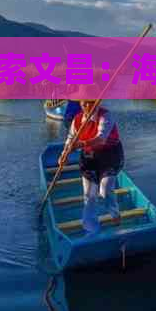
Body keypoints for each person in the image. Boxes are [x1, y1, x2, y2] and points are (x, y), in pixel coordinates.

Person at [58, 94, 124, 234]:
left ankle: (114, 213)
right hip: (89, 159)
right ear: (80, 103)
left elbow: (100, 138)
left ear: (96, 102)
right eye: (84, 103)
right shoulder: (76, 120)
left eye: (90, 102)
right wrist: (64, 154)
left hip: (110, 157)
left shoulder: (106, 116)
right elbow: (70, 140)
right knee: (89, 196)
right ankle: (91, 229)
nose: (87, 106)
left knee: (105, 190)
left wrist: (81, 144)